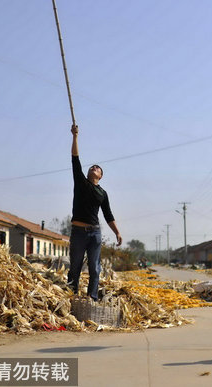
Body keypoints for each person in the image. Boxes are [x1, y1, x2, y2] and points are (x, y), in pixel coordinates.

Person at [67, 124, 122, 301]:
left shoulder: (102, 193)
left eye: (97, 168)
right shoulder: (81, 182)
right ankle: (72, 295)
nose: (94, 168)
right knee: (75, 266)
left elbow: (108, 215)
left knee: (95, 268)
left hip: (95, 233)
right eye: (92, 167)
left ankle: (92, 298)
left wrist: (117, 232)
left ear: (101, 176)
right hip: (78, 232)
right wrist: (75, 136)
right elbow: (75, 158)